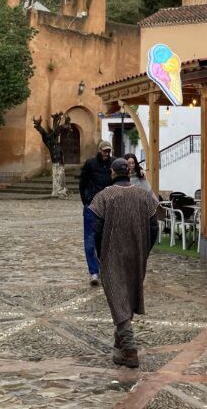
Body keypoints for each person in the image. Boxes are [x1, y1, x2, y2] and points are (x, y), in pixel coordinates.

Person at [89, 157, 159, 369]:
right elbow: (154, 227)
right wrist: (144, 249)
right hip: (137, 253)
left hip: (112, 254)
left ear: (112, 173)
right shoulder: (144, 196)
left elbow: (97, 228)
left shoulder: (104, 196)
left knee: (117, 296)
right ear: (128, 172)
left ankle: (129, 350)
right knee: (127, 294)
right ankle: (120, 340)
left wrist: (101, 253)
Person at [79, 139, 113, 286]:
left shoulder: (114, 164)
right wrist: (87, 199)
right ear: (100, 150)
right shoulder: (90, 164)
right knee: (90, 240)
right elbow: (83, 183)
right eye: (105, 151)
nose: (107, 153)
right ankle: (94, 271)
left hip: (108, 207)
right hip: (92, 206)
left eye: (109, 151)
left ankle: (106, 269)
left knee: (107, 240)